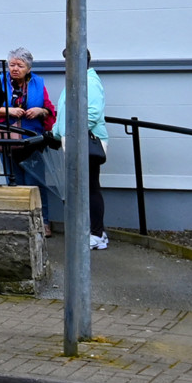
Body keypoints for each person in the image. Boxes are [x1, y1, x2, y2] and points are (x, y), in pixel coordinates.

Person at [0, 47, 57, 203]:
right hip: (7, 140)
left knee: (35, 183)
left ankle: (42, 216)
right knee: (14, 183)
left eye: (20, 66)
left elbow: (49, 108)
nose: (15, 69)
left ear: (28, 69)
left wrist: (40, 111)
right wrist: (7, 111)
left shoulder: (38, 83)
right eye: (12, 65)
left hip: (32, 140)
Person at [81, 54, 109, 249]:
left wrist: (71, 131)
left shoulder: (89, 81)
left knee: (90, 188)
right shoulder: (84, 80)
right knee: (89, 187)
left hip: (86, 141)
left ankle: (97, 234)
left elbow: (93, 112)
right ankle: (98, 233)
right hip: (82, 139)